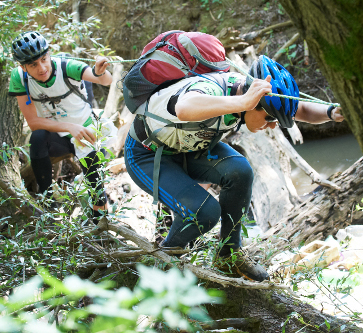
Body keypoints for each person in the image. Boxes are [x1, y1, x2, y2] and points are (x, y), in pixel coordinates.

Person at [124, 55, 343, 281]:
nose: (271, 125)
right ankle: (161, 263)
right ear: (251, 102)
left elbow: (301, 111)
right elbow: (184, 107)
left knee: (240, 171)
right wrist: (244, 103)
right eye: (269, 118)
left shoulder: (255, 95)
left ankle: (229, 255)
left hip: (189, 149)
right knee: (204, 212)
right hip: (148, 154)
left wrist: (330, 113)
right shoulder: (211, 89)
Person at [8, 31, 114, 218]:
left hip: (86, 131)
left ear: (49, 54)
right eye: (33, 64)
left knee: (95, 185)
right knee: (37, 137)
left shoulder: (66, 66)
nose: (41, 68)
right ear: (23, 67)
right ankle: (48, 201)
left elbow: (104, 80)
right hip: (58, 136)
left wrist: (100, 72)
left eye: (44, 59)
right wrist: (68, 127)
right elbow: (33, 122)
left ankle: (102, 224)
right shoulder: (19, 78)